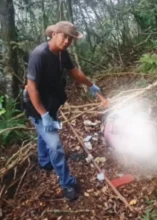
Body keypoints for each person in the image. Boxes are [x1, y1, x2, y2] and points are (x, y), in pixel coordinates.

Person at [22, 21, 102, 201]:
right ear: (54, 34)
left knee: (44, 133)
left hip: (52, 102)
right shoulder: (39, 55)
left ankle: (44, 162)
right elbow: (32, 87)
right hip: (36, 105)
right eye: (64, 36)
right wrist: (43, 115)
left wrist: (91, 85)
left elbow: (74, 72)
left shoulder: (62, 54)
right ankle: (67, 183)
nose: (67, 41)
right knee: (56, 145)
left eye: (70, 39)